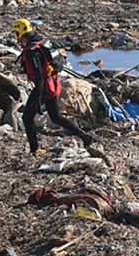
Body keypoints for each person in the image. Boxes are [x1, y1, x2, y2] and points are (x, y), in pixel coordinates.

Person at [13, 18, 93, 155]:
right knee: (56, 117)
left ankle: (34, 149)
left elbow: (38, 78)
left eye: (16, 33)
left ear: (21, 32)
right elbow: (58, 62)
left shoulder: (32, 51)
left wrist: (37, 99)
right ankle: (84, 136)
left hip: (43, 88)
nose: (16, 37)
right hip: (53, 85)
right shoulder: (43, 42)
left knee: (27, 118)